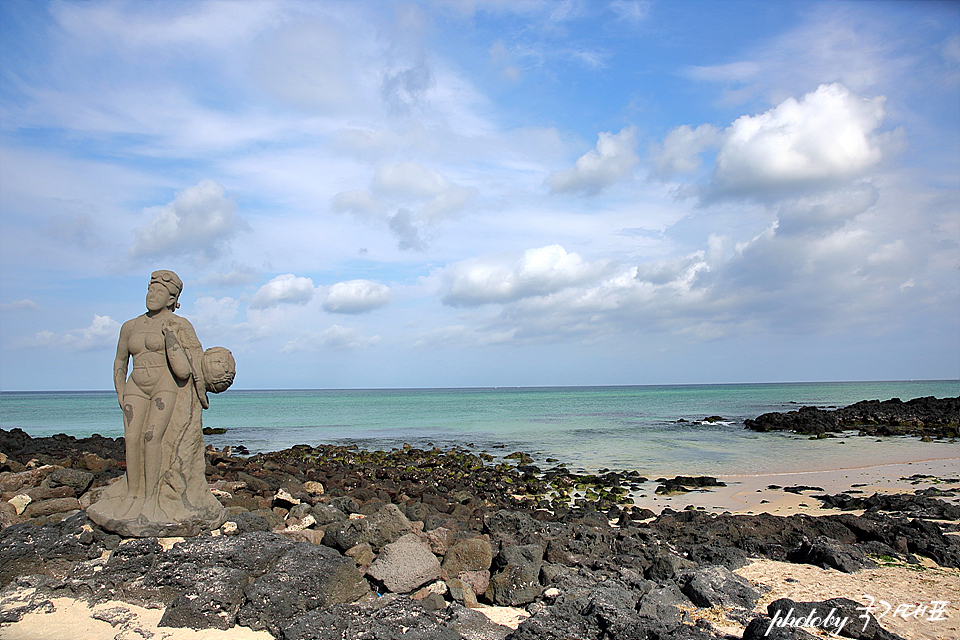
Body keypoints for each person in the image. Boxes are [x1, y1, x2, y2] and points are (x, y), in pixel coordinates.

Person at [87, 270, 225, 537]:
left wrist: (171, 337)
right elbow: (120, 361)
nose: (152, 295)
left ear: (172, 298)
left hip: (164, 385)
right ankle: (133, 493)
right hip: (135, 385)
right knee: (131, 437)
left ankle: (152, 497)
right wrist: (119, 389)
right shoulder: (130, 326)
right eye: (150, 290)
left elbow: (184, 371)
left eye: (159, 292)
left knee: (152, 438)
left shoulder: (179, 324)